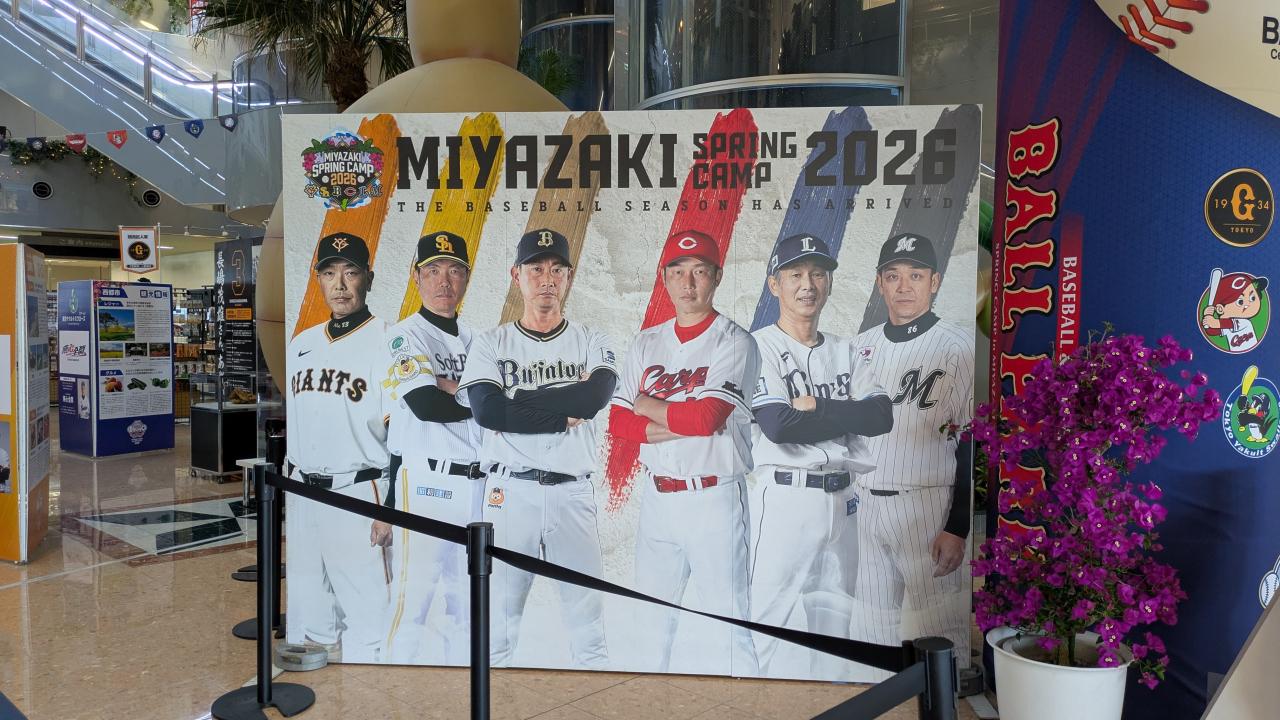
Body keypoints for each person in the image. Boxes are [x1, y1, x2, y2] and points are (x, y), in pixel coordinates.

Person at [457, 228, 615, 669]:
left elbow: (592, 398)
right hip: (510, 493)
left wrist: (519, 398)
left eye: (556, 269)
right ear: (516, 275)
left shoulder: (592, 339)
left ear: (569, 277)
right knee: (498, 628)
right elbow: (488, 412)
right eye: (536, 268)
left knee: (588, 628)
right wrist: (560, 412)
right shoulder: (491, 343)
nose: (547, 278)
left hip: (572, 492)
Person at [609, 229, 761, 675]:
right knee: (650, 625)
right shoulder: (646, 342)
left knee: (728, 627)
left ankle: (745, 705)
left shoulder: (735, 341)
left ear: (717, 277)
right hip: (657, 502)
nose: (688, 283)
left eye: (699, 272)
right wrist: (679, 420)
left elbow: (707, 419)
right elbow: (618, 423)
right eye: (678, 272)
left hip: (714, 499)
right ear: (665, 278)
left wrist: (646, 406)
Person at [747, 233, 892, 676]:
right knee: (763, 629)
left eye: (817, 274)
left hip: (844, 504)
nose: (807, 284)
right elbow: (778, 425)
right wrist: (848, 413)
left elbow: (881, 416)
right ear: (775, 284)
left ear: (828, 283)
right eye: (795, 274)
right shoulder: (758, 347)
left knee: (835, 636)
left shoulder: (847, 350)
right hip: (786, 501)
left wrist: (817, 406)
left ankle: (829, 703)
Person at [849, 232, 974, 668]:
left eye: (915, 275)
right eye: (893, 276)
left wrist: (957, 526)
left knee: (940, 630)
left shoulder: (957, 346)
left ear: (934, 282)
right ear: (880, 283)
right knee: (868, 629)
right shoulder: (860, 346)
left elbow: (972, 440)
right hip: (864, 505)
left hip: (926, 506)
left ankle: (945, 699)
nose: (904, 286)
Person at [284, 231, 392, 663]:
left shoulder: (389, 340)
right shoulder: (302, 343)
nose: (340, 285)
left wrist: (390, 510)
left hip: (358, 489)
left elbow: (403, 435)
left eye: (351, 273)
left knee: (370, 615)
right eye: (330, 274)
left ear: (369, 278)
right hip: (302, 489)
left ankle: (374, 693)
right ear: (319, 280)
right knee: (311, 610)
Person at [378, 231, 483, 664]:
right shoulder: (404, 336)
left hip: (477, 485)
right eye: (433, 270)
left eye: (454, 270)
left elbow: (500, 407)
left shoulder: (479, 340)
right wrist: (478, 397)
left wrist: (451, 387)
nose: (444, 281)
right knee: (412, 601)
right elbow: (427, 406)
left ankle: (465, 688)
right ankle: (389, 683)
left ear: (466, 278)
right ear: (416, 276)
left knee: (468, 603)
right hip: (425, 482)